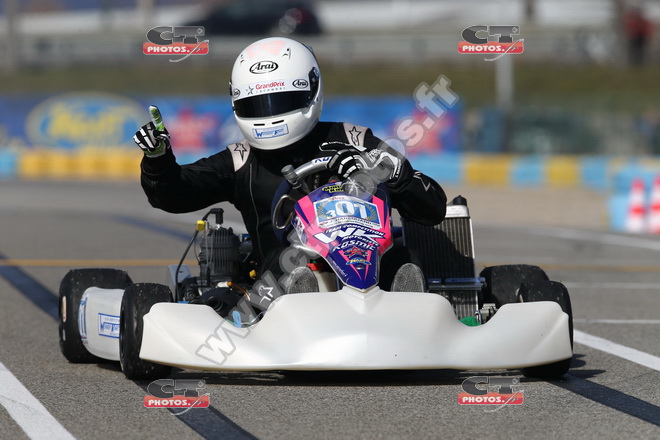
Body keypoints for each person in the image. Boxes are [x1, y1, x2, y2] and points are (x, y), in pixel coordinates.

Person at [134, 37, 447, 290]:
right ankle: (301, 292)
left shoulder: (356, 141)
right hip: (277, 288)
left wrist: (396, 175)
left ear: (311, 89)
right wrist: (158, 161)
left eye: (281, 102)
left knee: (399, 257)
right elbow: (173, 195)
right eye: (255, 105)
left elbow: (433, 209)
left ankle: (403, 302)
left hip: (368, 274)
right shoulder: (241, 161)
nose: (269, 115)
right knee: (288, 261)